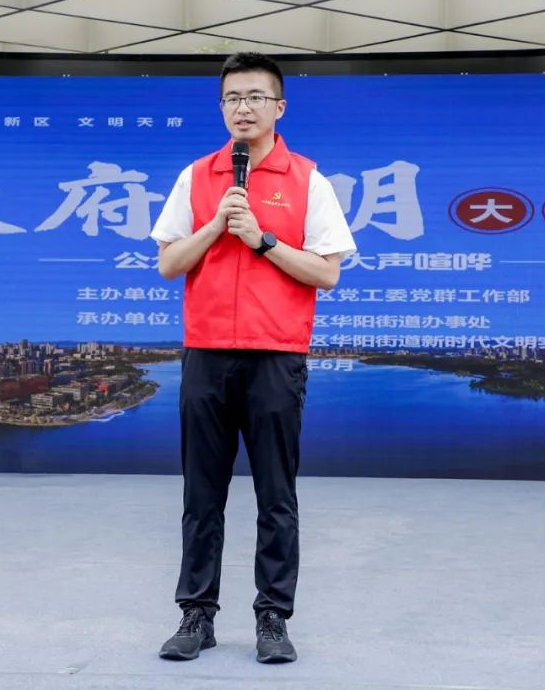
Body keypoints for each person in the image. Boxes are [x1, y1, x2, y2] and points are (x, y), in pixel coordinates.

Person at [149, 52, 356, 664]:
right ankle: (196, 614)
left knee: (276, 494)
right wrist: (216, 226)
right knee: (201, 494)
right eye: (233, 98)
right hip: (207, 353)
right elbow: (168, 263)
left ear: (279, 107)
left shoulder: (308, 179)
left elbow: (327, 273)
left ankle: (273, 618)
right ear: (222, 107)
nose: (243, 108)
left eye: (256, 97)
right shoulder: (197, 176)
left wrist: (263, 240)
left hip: (275, 355)